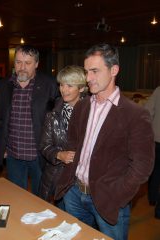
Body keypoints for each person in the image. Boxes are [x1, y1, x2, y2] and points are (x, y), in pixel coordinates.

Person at [54, 43, 154, 240]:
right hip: (74, 193)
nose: (88, 78)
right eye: (86, 71)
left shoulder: (135, 114)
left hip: (108, 199)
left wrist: (118, 194)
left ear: (114, 70)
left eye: (94, 71)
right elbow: (73, 144)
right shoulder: (81, 107)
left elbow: (142, 166)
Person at [0, 45, 59, 195]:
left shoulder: (49, 84)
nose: (22, 67)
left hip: (40, 155)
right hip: (13, 155)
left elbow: (57, 120)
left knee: (40, 200)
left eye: (28, 63)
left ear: (36, 64)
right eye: (18, 62)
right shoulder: (4, 85)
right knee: (17, 198)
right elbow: (0, 119)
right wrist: (2, 146)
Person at [39, 65, 87, 210]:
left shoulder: (92, 113)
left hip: (83, 179)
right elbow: (44, 146)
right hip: (58, 177)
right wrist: (60, 154)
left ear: (82, 88)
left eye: (69, 85)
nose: (63, 89)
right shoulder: (53, 114)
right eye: (61, 84)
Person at [145, 86, 160, 219]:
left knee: (155, 170)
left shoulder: (158, 90)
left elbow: (148, 111)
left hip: (157, 139)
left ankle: (152, 198)